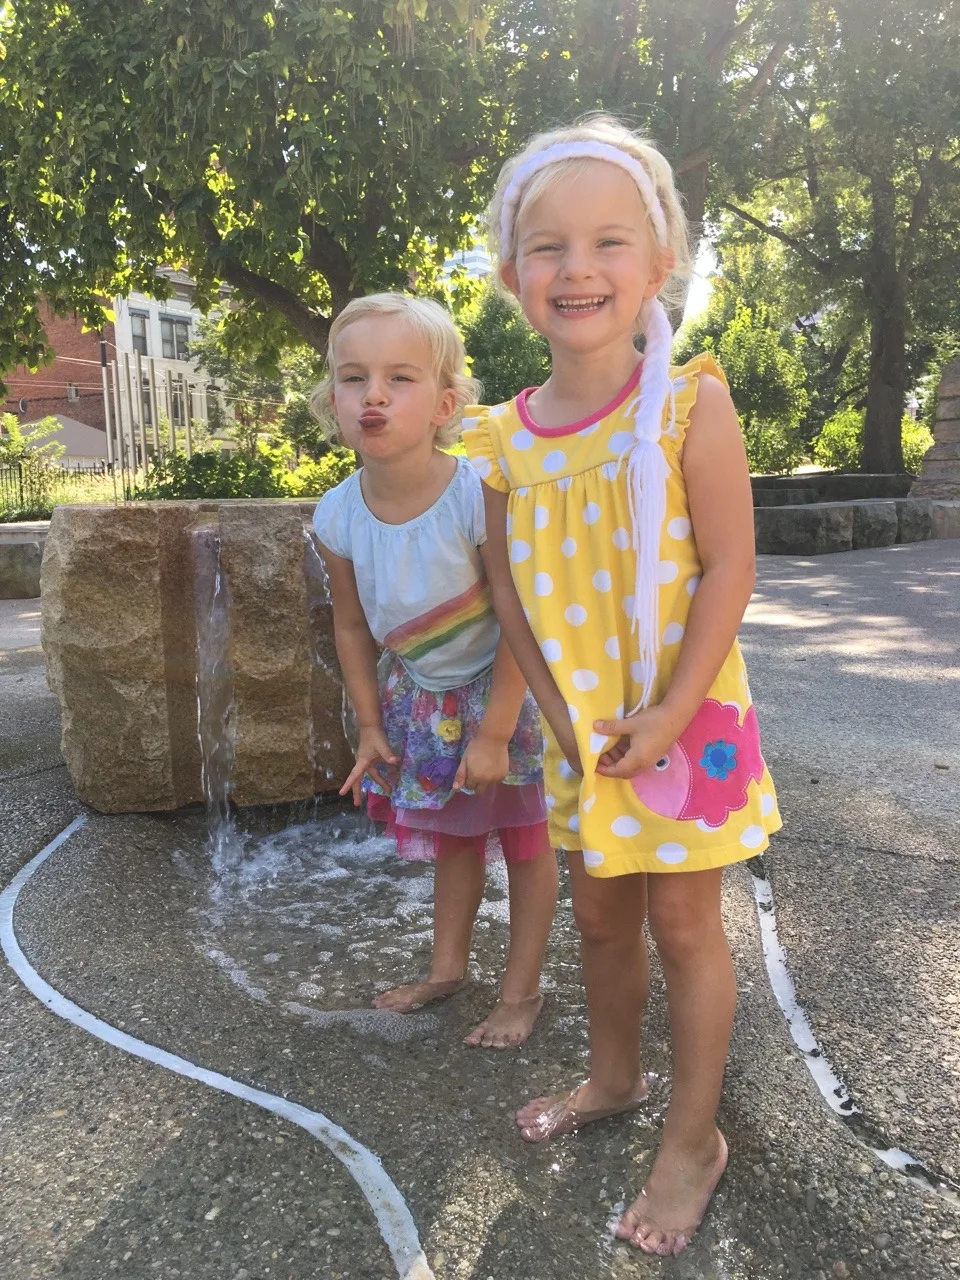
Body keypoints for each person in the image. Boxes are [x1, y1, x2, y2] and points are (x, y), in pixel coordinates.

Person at [462, 116, 782, 1254]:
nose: (578, 267)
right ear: (512, 275)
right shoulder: (500, 442)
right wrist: (555, 722)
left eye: (608, 242)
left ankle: (693, 1136)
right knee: (599, 918)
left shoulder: (691, 404)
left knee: (688, 921)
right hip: (582, 735)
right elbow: (512, 598)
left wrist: (671, 712)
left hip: (686, 723)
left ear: (658, 265)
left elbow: (731, 566)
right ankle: (612, 1075)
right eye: (547, 246)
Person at [311, 293, 558, 1050]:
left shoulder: (476, 494)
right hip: (419, 691)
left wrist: (493, 732)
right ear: (333, 402)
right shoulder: (338, 515)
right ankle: (447, 967)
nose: (374, 395)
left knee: (525, 839)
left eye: (400, 378)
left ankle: (521, 989)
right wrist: (370, 727)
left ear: (445, 403)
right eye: (354, 379)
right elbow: (351, 626)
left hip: (501, 685)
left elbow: (520, 619)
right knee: (454, 836)